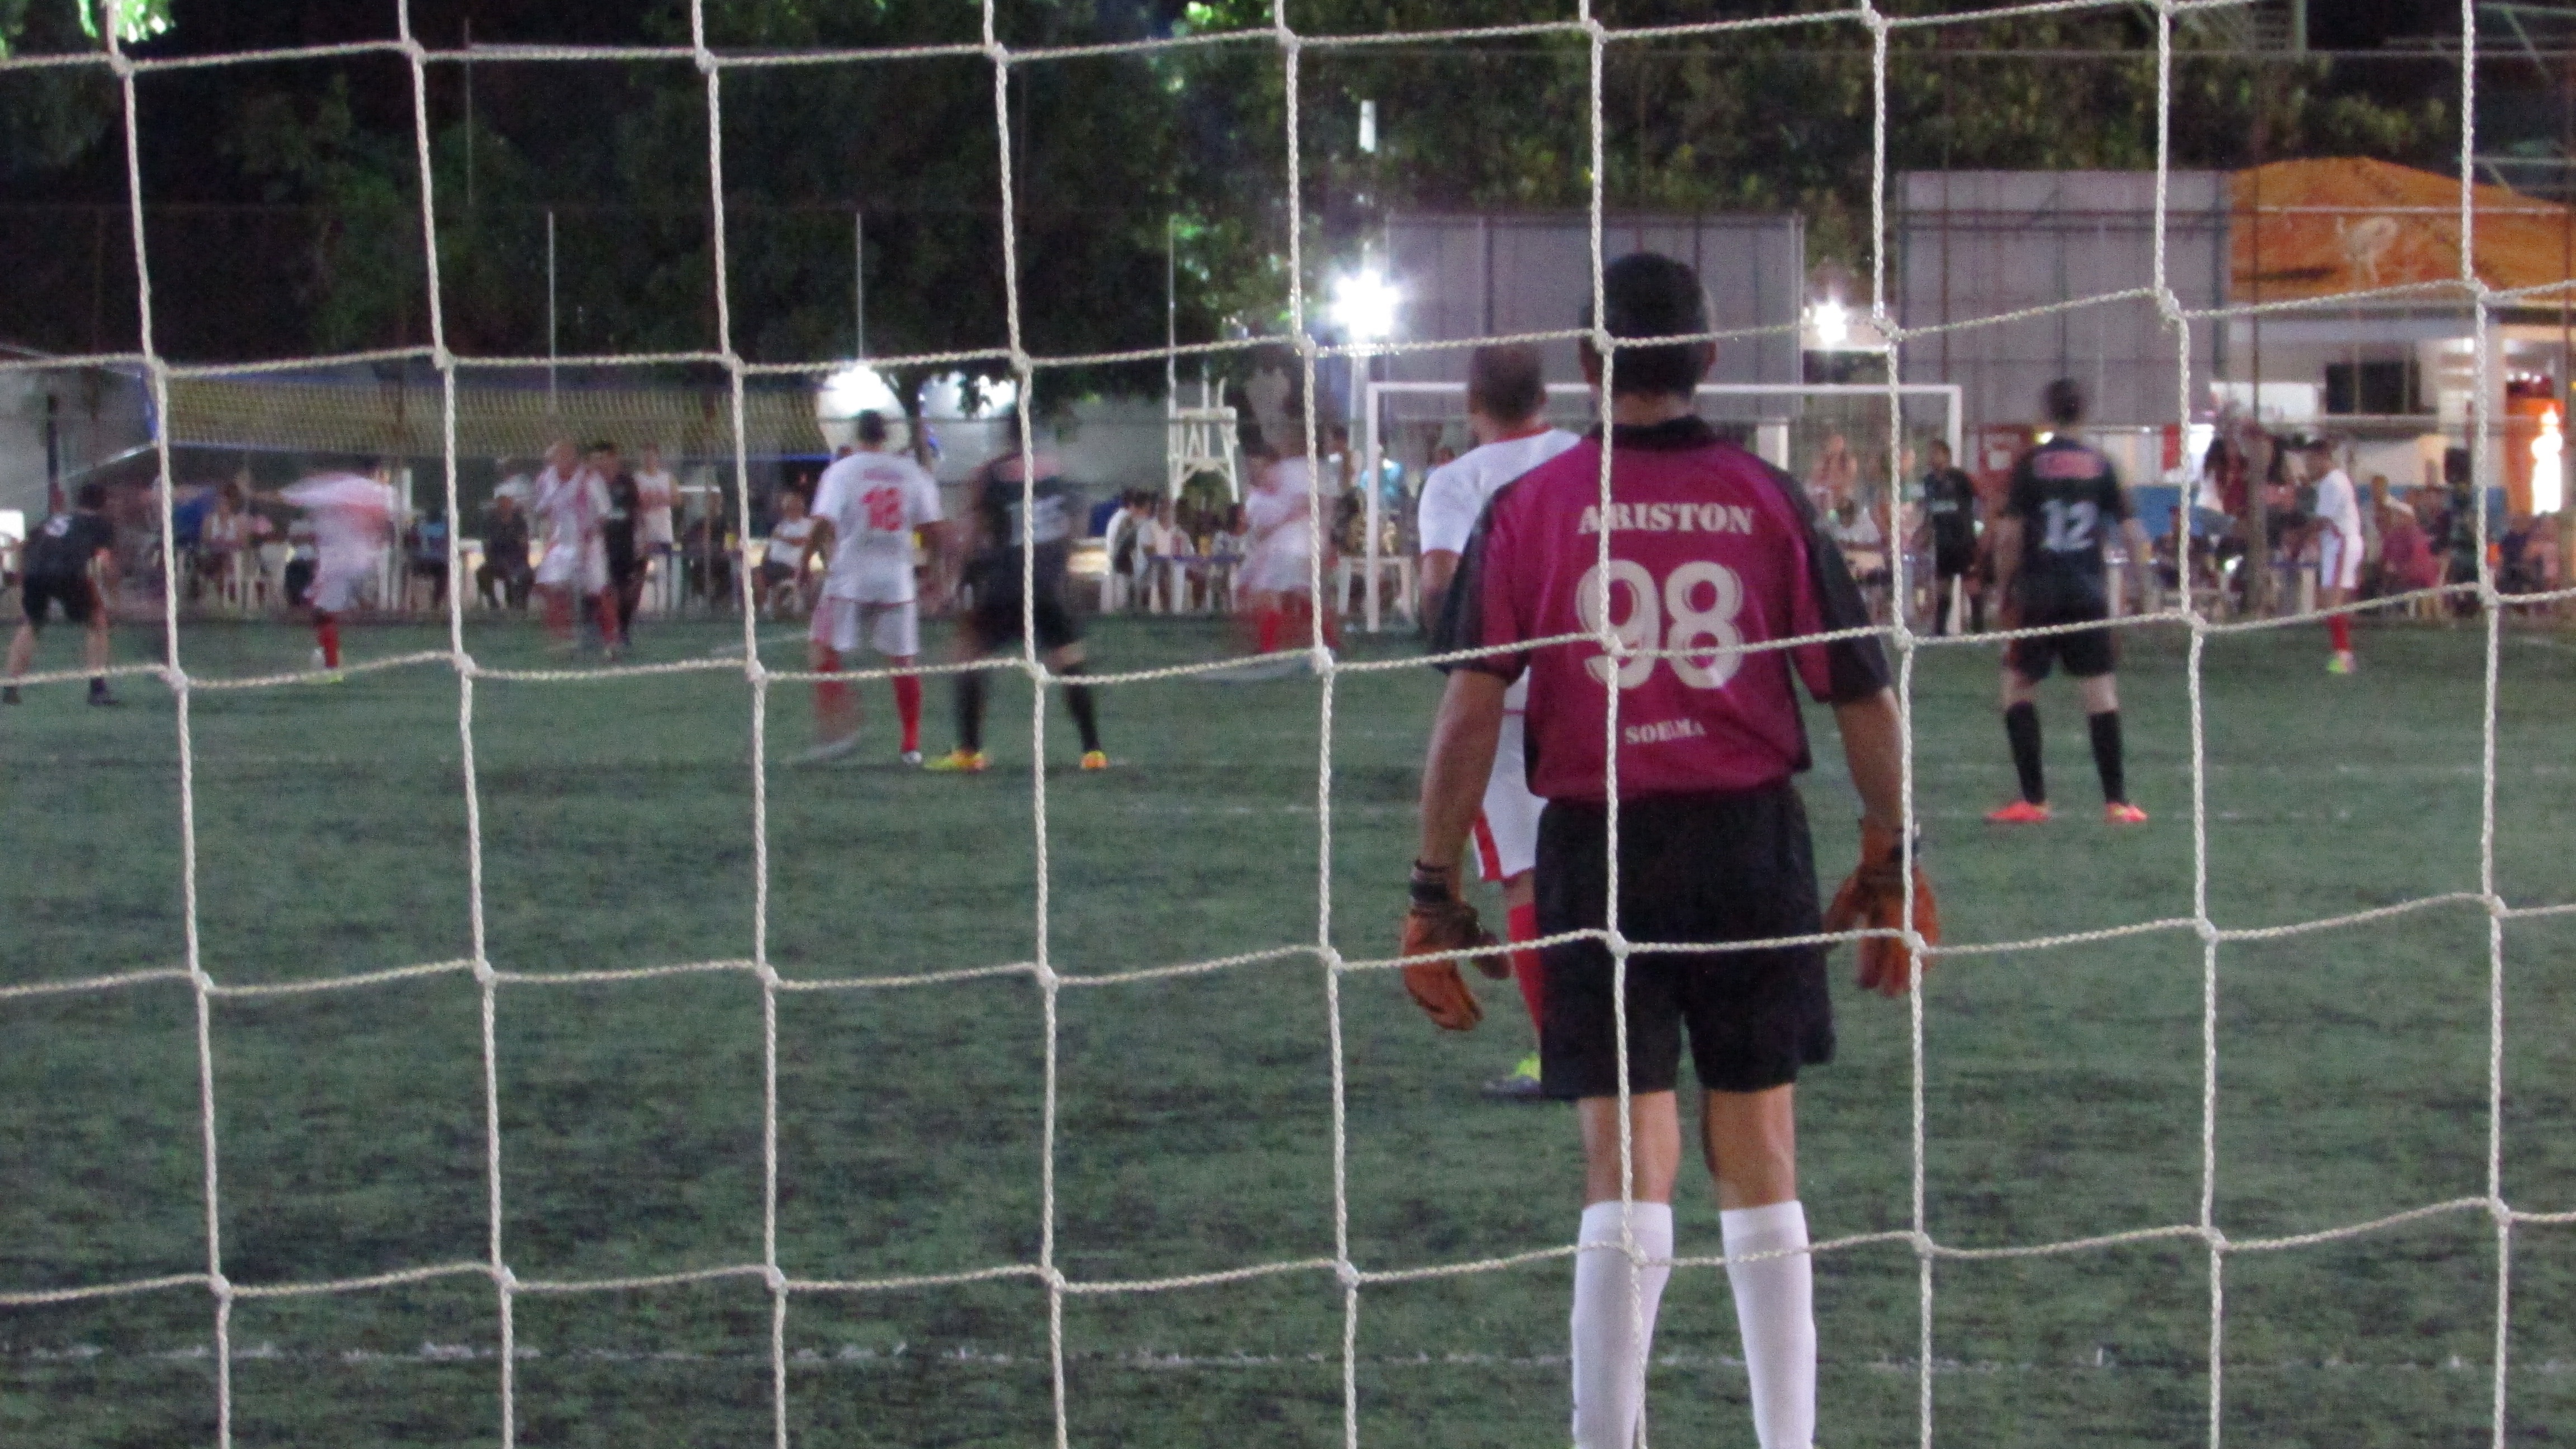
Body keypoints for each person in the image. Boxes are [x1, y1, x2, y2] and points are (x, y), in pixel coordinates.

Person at [1402, 252, 1933, 1449]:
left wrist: (1433, 888)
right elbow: (1860, 691)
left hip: (1599, 849)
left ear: (1588, 365)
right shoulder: (1765, 496)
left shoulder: (1530, 507)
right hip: (1749, 845)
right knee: (1761, 1148)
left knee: (1624, 1160)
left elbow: (1471, 709)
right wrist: (1893, 854)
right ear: (1708, 357)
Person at [1414, 342, 1583, 1102]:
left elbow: (1440, 585)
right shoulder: (1586, 456)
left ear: (1471, 403)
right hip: (1599, 682)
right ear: (1545, 397)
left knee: (1527, 872)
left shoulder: (1458, 480)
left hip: (1507, 699)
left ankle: (1559, 1056)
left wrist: (1453, 664)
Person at [1986, 379, 2151, 825]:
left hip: (2038, 592)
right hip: (2088, 592)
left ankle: (2033, 799)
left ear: (2046, 413)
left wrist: (2004, 588)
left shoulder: (2030, 465)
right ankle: (2117, 802)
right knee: (2100, 691)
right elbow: (2132, 532)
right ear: (2083, 415)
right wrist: (2143, 589)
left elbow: (2009, 536)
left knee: (2018, 686)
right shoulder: (2103, 465)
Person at [925, 444, 1107, 773]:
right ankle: (1093, 751)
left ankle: (969, 751)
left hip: (1009, 581)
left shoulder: (991, 473)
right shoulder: (1055, 469)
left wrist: (953, 585)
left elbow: (973, 533)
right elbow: (1079, 515)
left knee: (967, 654)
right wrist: (1064, 559)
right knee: (1069, 659)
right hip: (1050, 584)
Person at [799, 411, 954, 765]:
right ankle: (911, 744)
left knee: (821, 650)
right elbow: (933, 531)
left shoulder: (843, 471)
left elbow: (823, 521)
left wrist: (803, 563)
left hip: (849, 576)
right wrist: (937, 576)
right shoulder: (911, 472)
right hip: (896, 579)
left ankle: (844, 725)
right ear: (886, 437)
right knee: (903, 662)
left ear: (857, 436)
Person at [4, 481, 121, 706]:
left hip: (35, 573)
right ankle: (98, 689)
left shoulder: (55, 519)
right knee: (97, 622)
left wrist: (19, 577)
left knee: (32, 624)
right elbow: (105, 562)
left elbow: (26, 545)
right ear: (104, 502)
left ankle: (10, 687)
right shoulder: (100, 524)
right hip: (68, 573)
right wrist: (114, 597)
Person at [277, 468, 400, 679]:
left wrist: (251, 493)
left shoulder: (331, 492)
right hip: (358, 560)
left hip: (340, 564)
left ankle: (332, 666)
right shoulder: (373, 493)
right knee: (323, 610)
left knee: (322, 612)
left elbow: (287, 497)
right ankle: (332, 657)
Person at [531, 440, 614, 650]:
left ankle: (611, 641)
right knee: (552, 587)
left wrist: (588, 539)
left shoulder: (590, 479)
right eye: (555, 458)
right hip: (561, 542)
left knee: (598, 591)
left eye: (564, 456)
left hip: (590, 541)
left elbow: (604, 514)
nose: (558, 462)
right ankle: (562, 640)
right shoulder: (546, 479)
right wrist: (548, 539)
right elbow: (544, 511)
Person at [2302, 437, 2362, 674]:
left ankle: (2344, 658)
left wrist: (2298, 537)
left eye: (2310, 461)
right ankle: (2343, 654)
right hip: (2338, 545)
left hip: (2341, 545)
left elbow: (2323, 521)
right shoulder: (2333, 481)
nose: (2308, 467)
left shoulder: (2332, 483)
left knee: (2332, 603)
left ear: (2321, 459)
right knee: (2332, 603)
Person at [1919, 438, 1980, 634]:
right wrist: (1925, 532)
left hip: (1963, 540)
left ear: (1946, 456)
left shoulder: (1960, 478)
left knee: (1971, 584)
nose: (1931, 457)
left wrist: (1981, 528)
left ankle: (1979, 631)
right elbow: (1929, 511)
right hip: (1943, 542)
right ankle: (1939, 632)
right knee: (1942, 587)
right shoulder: (1928, 482)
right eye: (1930, 453)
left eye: (1935, 453)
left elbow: (1981, 498)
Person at [590, 441, 643, 654]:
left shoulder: (626, 481)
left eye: (603, 458)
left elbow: (637, 512)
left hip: (625, 542)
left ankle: (623, 629)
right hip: (602, 544)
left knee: (626, 590)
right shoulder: (592, 483)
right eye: (597, 459)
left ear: (613, 458)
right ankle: (605, 633)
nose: (600, 463)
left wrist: (641, 539)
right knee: (604, 589)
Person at [758, 487, 817, 619]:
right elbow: (770, 547)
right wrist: (764, 559)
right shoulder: (781, 525)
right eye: (788, 508)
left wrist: (781, 537)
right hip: (772, 564)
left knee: (765, 573)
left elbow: (801, 542)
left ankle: (775, 606)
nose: (791, 511)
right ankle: (767, 607)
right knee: (754, 573)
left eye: (794, 508)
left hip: (791, 566)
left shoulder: (808, 525)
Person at [477, 493, 533, 610]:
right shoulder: (490, 522)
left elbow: (524, 545)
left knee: (529, 574)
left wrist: (521, 560)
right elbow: (487, 544)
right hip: (496, 560)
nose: (504, 507)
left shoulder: (519, 522)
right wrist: (492, 559)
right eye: (501, 504)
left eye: (507, 504)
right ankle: (493, 602)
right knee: (482, 574)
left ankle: (521, 604)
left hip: (516, 561)